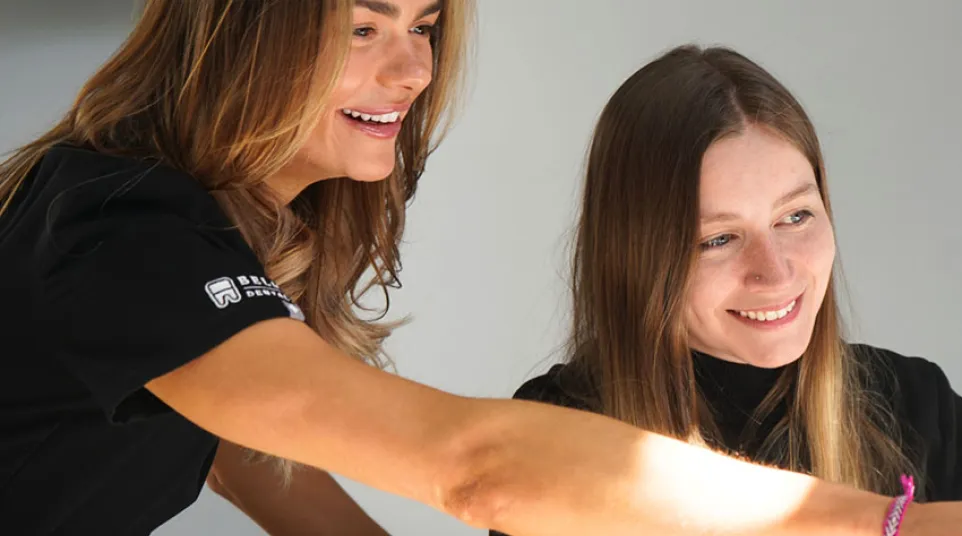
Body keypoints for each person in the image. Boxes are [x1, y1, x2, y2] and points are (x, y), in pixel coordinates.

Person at [1, 0, 959, 533]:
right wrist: (886, 527)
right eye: (364, 30)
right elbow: (478, 469)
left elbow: (244, 452)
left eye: (423, 28)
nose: (415, 71)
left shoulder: (213, 240)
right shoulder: (117, 224)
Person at [492, 44, 962, 535]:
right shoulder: (553, 432)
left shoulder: (917, 402)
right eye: (718, 239)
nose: (776, 273)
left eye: (795, 216)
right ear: (636, 255)